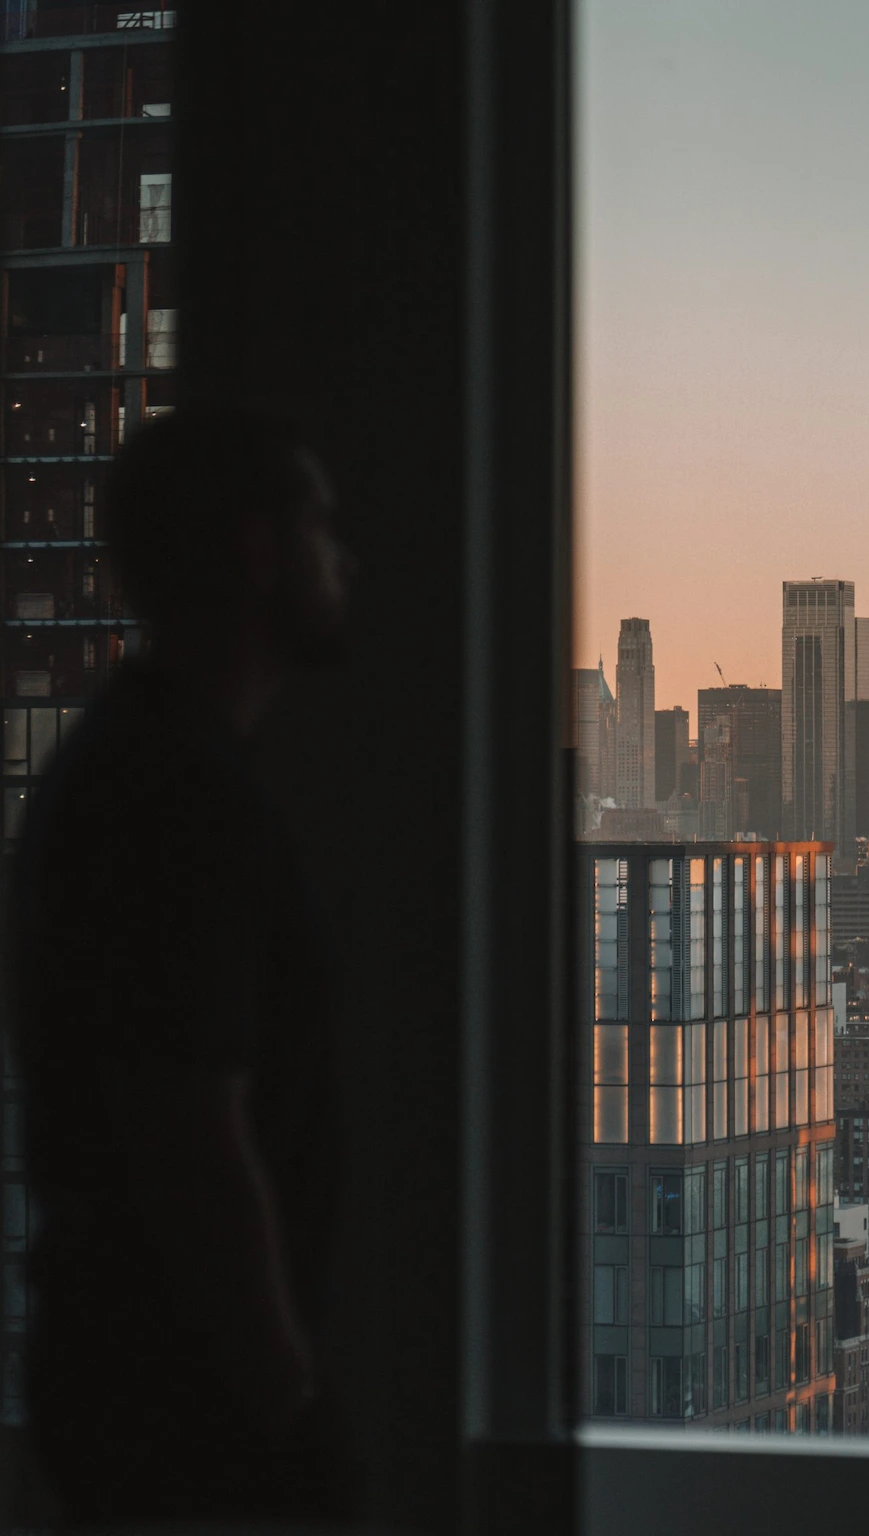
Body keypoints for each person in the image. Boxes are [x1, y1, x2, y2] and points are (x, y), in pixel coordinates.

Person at [8, 408, 357, 1523]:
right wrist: (290, 1403)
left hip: (142, 1391)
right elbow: (192, 1140)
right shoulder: (174, 803)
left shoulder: (133, 772)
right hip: (190, 1417)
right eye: (320, 523)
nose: (340, 555)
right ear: (259, 549)